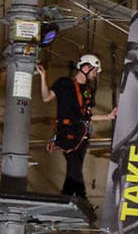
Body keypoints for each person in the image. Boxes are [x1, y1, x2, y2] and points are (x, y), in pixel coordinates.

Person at [39, 54, 117, 199]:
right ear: (86, 68)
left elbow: (88, 116)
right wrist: (43, 77)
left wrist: (108, 116)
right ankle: (80, 198)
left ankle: (67, 197)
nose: (95, 75)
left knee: (74, 168)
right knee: (74, 166)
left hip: (82, 133)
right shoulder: (64, 83)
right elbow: (46, 97)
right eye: (94, 71)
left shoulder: (88, 91)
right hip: (66, 131)